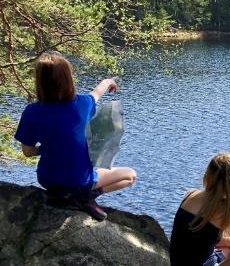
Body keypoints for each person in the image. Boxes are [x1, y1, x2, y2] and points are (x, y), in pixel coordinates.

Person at [14, 52, 137, 220]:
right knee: (130, 175)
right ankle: (88, 197)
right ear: (68, 79)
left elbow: (27, 152)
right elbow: (97, 93)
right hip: (79, 182)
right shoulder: (83, 104)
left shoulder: (31, 112)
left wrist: (50, 147)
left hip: (47, 180)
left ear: (40, 81)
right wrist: (109, 81)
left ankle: (72, 196)